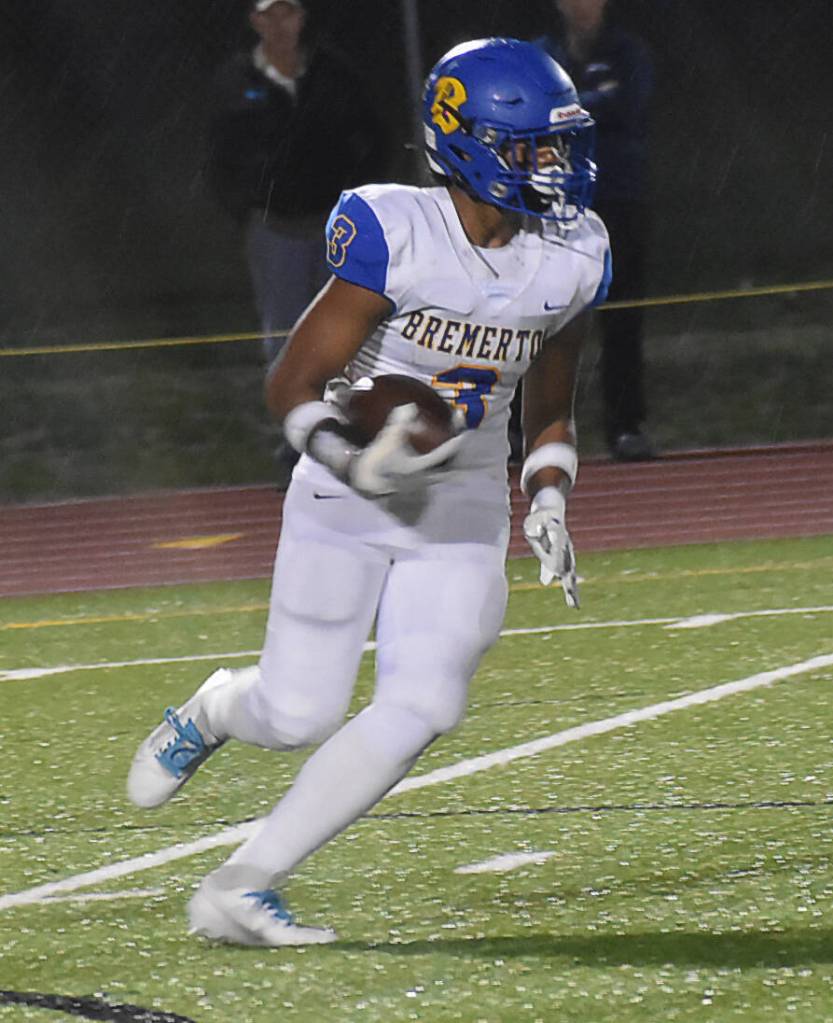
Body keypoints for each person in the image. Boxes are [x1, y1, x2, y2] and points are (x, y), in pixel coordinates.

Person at [128, 37, 611, 947]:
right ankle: (218, 708)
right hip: (345, 490)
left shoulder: (574, 254)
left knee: (429, 702)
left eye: (559, 143)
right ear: (466, 142)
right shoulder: (396, 230)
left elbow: (552, 407)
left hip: (464, 496)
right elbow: (292, 383)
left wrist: (549, 494)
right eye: (530, 146)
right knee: (297, 713)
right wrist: (353, 462)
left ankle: (241, 885)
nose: (554, 165)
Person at [207, 0, 389, 365]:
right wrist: (247, 207)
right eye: (269, 15)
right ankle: (290, 400)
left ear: (301, 18)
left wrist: (358, 198)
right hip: (273, 229)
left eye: (287, 13)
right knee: (284, 335)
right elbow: (220, 154)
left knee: (346, 329)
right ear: (255, 21)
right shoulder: (235, 81)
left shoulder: (333, 72)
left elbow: (372, 137)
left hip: (336, 226)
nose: (279, 25)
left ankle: (346, 398)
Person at [535, 0, 655, 461]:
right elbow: (530, 118)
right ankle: (532, 428)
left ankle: (626, 427)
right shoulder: (541, 56)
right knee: (541, 319)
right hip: (556, 204)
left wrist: (567, 109)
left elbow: (631, 107)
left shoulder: (629, 53)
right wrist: (593, 103)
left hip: (620, 199)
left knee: (623, 317)